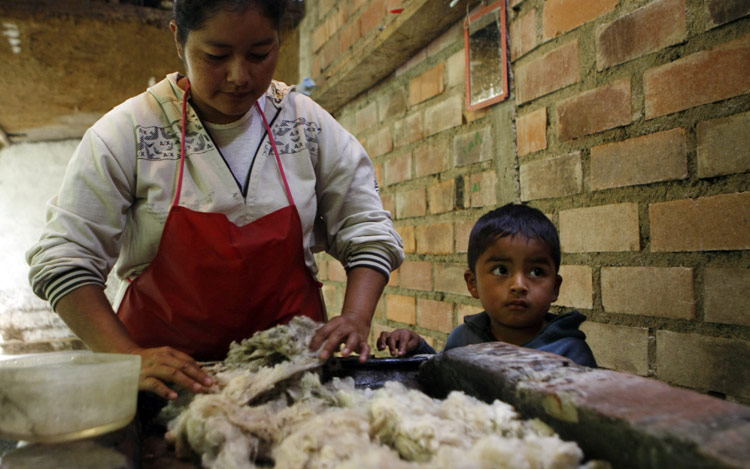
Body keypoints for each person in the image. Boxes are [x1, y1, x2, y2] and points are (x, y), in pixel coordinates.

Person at [26, 0, 404, 402]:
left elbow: (368, 227)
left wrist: (356, 317)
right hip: (165, 388)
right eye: (216, 56)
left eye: (260, 54)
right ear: (179, 39)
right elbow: (63, 259)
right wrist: (128, 356)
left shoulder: (305, 125)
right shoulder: (130, 132)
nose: (240, 76)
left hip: (293, 376)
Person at [377, 203, 596, 367]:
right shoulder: (463, 340)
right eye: (501, 270)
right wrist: (417, 350)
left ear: (555, 288)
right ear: (473, 284)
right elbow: (448, 382)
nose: (519, 285)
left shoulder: (570, 354)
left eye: (536, 272)